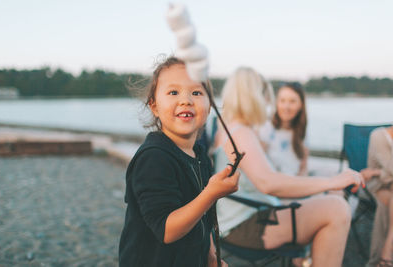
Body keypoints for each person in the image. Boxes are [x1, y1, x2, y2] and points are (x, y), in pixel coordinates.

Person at [213, 67, 364, 267]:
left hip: (246, 216)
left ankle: (304, 260)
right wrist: (331, 181)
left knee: (332, 203)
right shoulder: (240, 133)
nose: (269, 104)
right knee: (337, 209)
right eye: (267, 96)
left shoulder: (231, 128)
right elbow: (268, 183)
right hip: (245, 224)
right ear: (254, 97)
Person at [118, 57, 239, 267]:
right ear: (154, 106)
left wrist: (211, 256)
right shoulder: (153, 158)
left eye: (197, 92)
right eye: (173, 92)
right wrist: (211, 194)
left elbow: (204, 218)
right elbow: (167, 230)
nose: (186, 100)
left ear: (209, 106)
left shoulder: (200, 154)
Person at [259, 82, 309, 176]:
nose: (286, 107)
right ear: (276, 103)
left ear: (301, 104)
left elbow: (303, 168)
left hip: (295, 186)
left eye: (292, 101)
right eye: (282, 101)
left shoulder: (302, 131)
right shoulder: (266, 128)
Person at [363, 126, 393, 267]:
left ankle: (383, 256)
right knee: (386, 204)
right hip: (377, 185)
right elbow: (391, 168)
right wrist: (380, 174)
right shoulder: (378, 136)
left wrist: (376, 171)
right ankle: (381, 258)